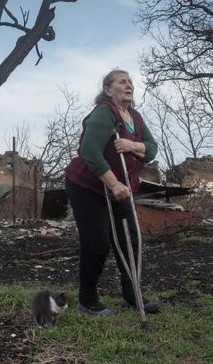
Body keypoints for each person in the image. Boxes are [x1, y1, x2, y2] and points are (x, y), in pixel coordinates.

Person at [64, 69, 159, 316]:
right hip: (89, 186)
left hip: (123, 187)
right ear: (108, 89)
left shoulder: (135, 117)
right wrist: (113, 184)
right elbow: (90, 152)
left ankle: (132, 296)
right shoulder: (104, 113)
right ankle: (87, 301)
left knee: (131, 240)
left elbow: (151, 149)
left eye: (130, 81)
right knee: (98, 242)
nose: (129, 85)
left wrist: (131, 145)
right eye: (122, 81)